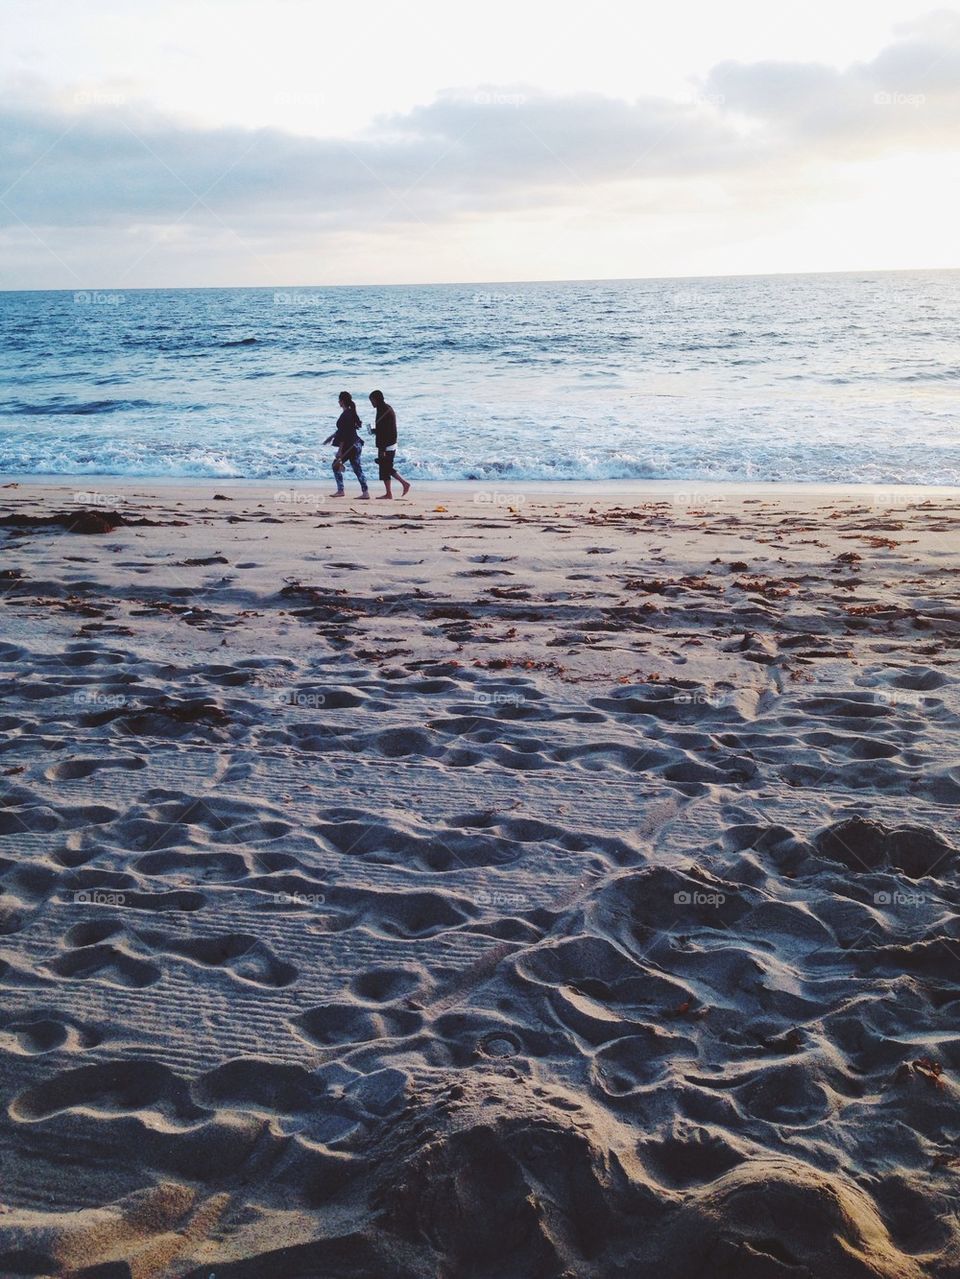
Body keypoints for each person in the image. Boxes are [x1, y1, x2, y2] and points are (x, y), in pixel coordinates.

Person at [325, 391, 369, 499]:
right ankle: (365, 492)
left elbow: (344, 434)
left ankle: (341, 491)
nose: (338, 402)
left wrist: (340, 451)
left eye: (339, 400)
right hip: (357, 444)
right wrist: (331, 437)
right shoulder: (351, 412)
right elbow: (344, 430)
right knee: (357, 468)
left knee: (335, 466)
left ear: (342, 401)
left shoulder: (346, 414)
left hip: (350, 446)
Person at [368, 389, 411, 499]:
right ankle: (389, 493)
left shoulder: (383, 410)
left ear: (377, 399)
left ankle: (404, 484)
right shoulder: (386, 408)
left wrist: (382, 449)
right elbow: (384, 428)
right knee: (385, 469)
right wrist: (374, 431)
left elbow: (385, 432)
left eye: (372, 400)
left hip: (386, 445)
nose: (371, 403)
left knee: (386, 468)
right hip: (390, 442)